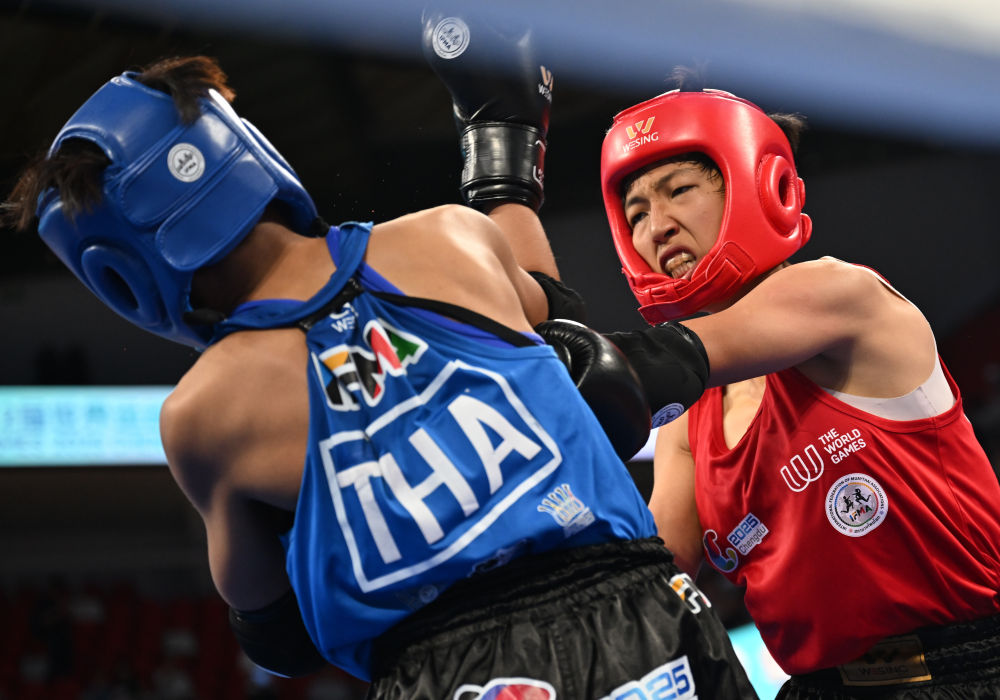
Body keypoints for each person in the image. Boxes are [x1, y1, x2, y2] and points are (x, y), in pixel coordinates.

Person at [3, 40, 758, 700]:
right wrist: (502, 140)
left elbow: (273, 632)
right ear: (243, 151)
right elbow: (570, 348)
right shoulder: (447, 237)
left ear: (119, 272)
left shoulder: (202, 415)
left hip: (449, 672)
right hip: (643, 617)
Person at [595, 84, 1000, 698]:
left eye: (680, 190)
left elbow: (648, 366)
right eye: (636, 214)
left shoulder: (844, 297)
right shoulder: (689, 416)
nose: (658, 227)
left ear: (757, 187)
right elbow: (652, 577)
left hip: (969, 668)